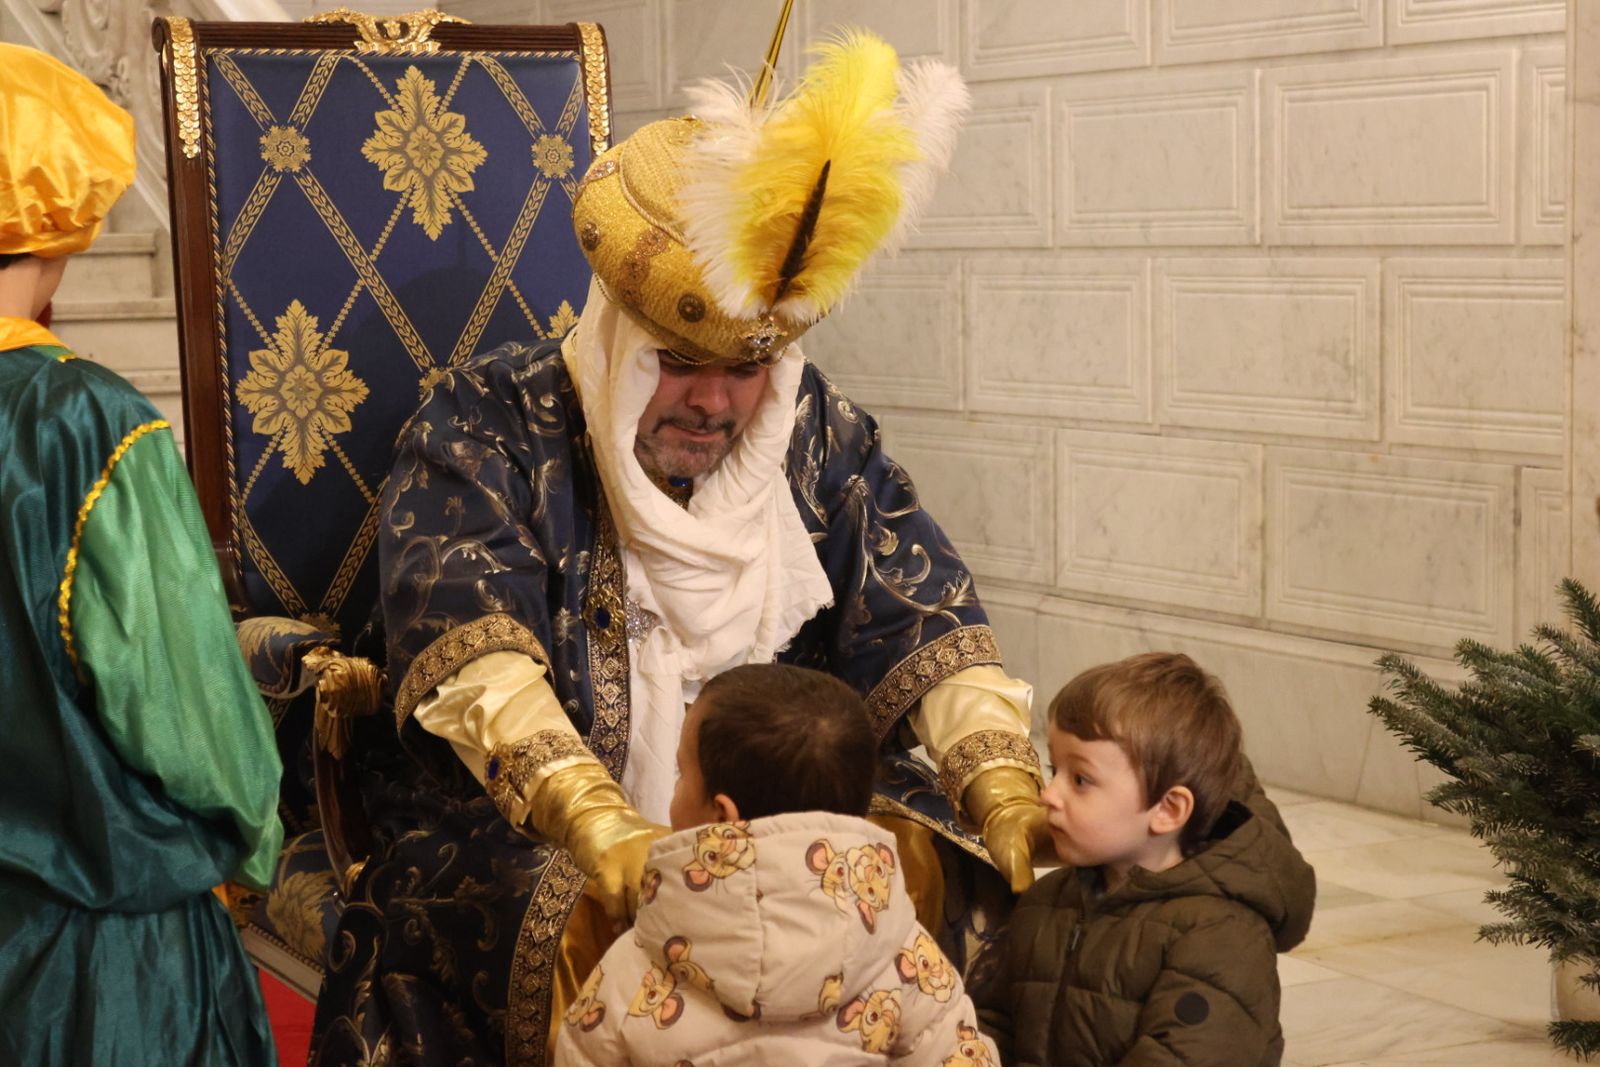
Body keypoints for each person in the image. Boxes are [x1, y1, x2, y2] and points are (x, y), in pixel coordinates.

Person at [312, 27, 1046, 1067]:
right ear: (619, 330)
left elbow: (917, 600)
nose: (713, 402)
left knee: (933, 854)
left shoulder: (812, 428)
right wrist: (595, 817)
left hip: (766, 797)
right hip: (526, 809)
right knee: (572, 912)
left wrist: (999, 774)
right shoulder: (486, 422)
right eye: (678, 364)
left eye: (744, 371)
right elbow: (471, 643)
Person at [0, 43, 285, 1067]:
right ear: (63, 233)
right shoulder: (86, 423)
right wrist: (256, 838)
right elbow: (188, 711)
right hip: (95, 957)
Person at [552, 663, 1000, 1066]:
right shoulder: (905, 954)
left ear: (722, 816)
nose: (674, 791)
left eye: (681, 776)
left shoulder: (638, 961)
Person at [974, 652, 1317, 1066]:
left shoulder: (1222, 937)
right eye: (1054, 770)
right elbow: (994, 1022)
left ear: (1168, 810)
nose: (1048, 795)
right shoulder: (1047, 902)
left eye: (1080, 779)